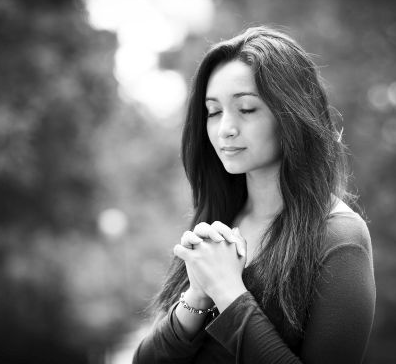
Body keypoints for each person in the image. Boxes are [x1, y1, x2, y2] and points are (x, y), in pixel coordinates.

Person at [132, 26, 376, 363]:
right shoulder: (218, 223)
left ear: (293, 114)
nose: (225, 128)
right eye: (214, 112)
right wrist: (197, 297)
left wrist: (228, 290)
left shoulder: (338, 238)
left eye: (246, 109)